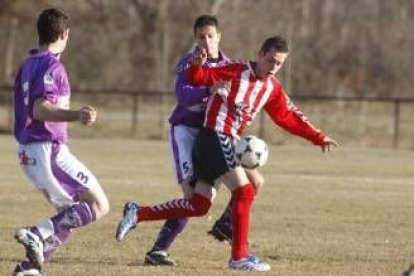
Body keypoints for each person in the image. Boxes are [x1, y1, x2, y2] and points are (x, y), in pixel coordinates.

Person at [116, 35, 338, 272]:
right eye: (271, 60)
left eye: (280, 64)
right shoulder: (234, 70)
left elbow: (288, 116)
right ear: (260, 54)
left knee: (200, 205)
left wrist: (318, 137)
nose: (274, 67)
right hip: (215, 136)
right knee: (245, 190)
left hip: (222, 142)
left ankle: (138, 213)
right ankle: (239, 257)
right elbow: (199, 78)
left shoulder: (271, 88)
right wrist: (196, 65)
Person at [143, 14, 265, 266]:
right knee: (192, 199)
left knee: (255, 180)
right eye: (201, 36)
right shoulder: (189, 63)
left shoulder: (231, 66)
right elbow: (184, 97)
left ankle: (225, 226)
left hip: (215, 135)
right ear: (195, 38)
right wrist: (208, 89)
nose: (207, 41)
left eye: (211, 36)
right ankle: (157, 251)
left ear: (219, 37)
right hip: (186, 131)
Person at [12, 8, 109, 276]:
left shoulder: (28, 63)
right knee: (98, 206)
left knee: (68, 216)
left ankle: (28, 269)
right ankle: (35, 233)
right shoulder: (53, 66)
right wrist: (76, 114)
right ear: (64, 34)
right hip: (48, 150)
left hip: (28, 152)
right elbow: (39, 110)